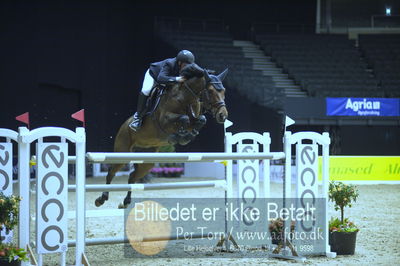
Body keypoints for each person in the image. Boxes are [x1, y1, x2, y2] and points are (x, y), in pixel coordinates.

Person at [129, 50, 195, 131]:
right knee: (146, 90)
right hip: (154, 76)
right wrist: (177, 79)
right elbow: (161, 78)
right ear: (179, 62)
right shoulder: (170, 64)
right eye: (185, 65)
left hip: (168, 80)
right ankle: (138, 117)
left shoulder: (189, 66)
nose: (186, 67)